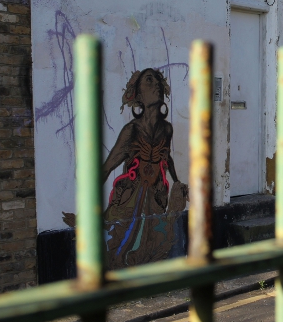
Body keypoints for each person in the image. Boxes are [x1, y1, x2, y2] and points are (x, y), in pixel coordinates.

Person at [63, 68, 189, 269]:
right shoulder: (131, 130)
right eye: (149, 81)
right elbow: (107, 167)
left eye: (157, 80)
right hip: (129, 198)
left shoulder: (167, 129)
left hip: (156, 196)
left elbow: (167, 157)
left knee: (155, 241)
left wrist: (177, 181)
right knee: (119, 244)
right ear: (138, 95)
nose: (155, 84)